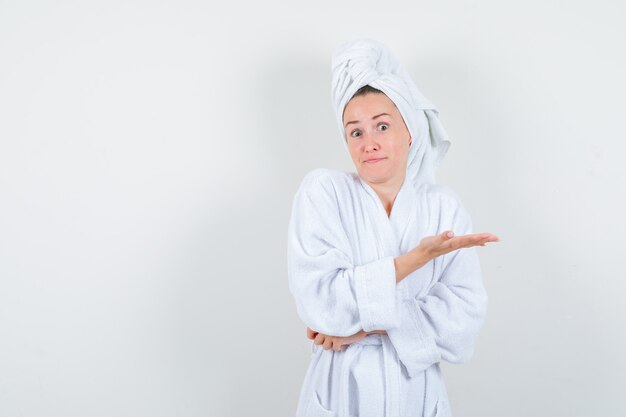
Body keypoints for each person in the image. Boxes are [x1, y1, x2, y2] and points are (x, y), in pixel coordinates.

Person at [287, 39, 499, 417]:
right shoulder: (324, 193)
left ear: (410, 131)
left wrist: (362, 327)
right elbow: (319, 302)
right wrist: (414, 261)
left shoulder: (442, 207)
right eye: (356, 132)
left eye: (382, 126)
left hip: (416, 395)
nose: (369, 143)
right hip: (341, 394)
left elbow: (464, 321)